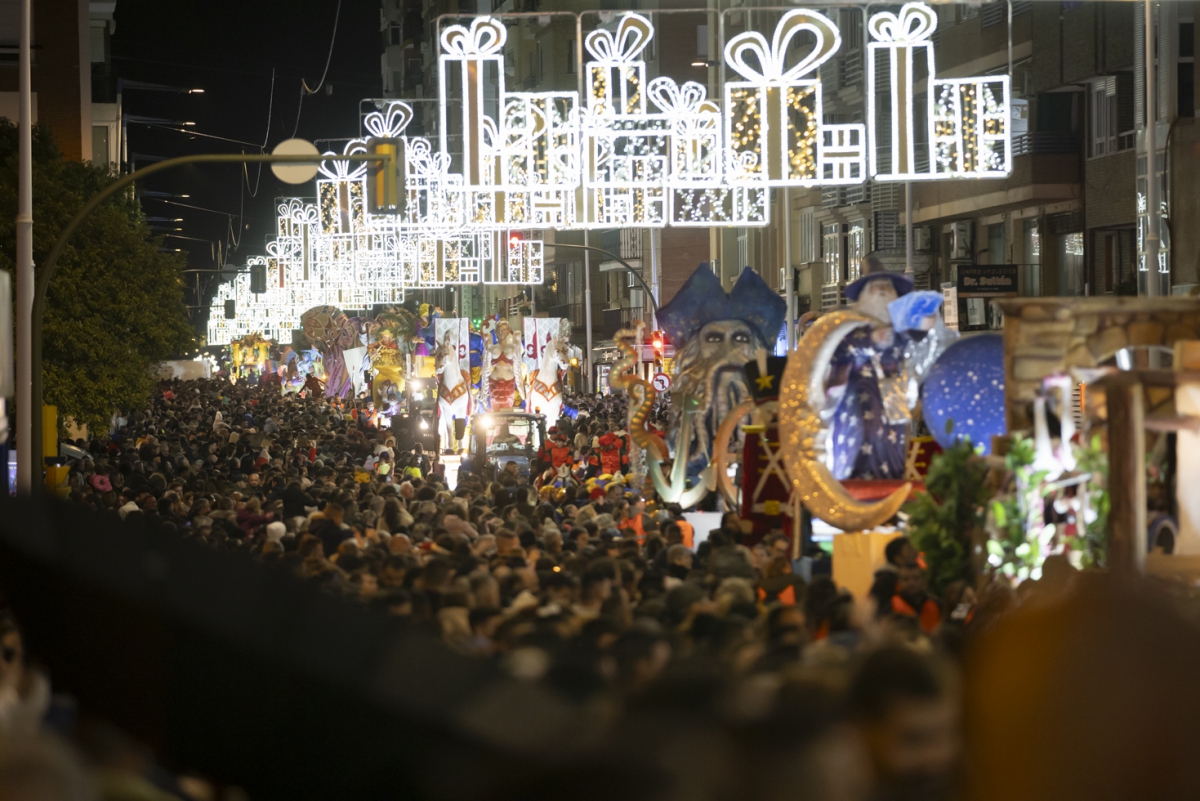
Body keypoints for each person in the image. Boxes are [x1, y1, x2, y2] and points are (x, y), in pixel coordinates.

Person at [891, 562, 941, 634]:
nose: (911, 583)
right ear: (898, 583)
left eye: (916, 578)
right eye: (905, 579)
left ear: (923, 582)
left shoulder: (937, 605)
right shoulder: (890, 609)